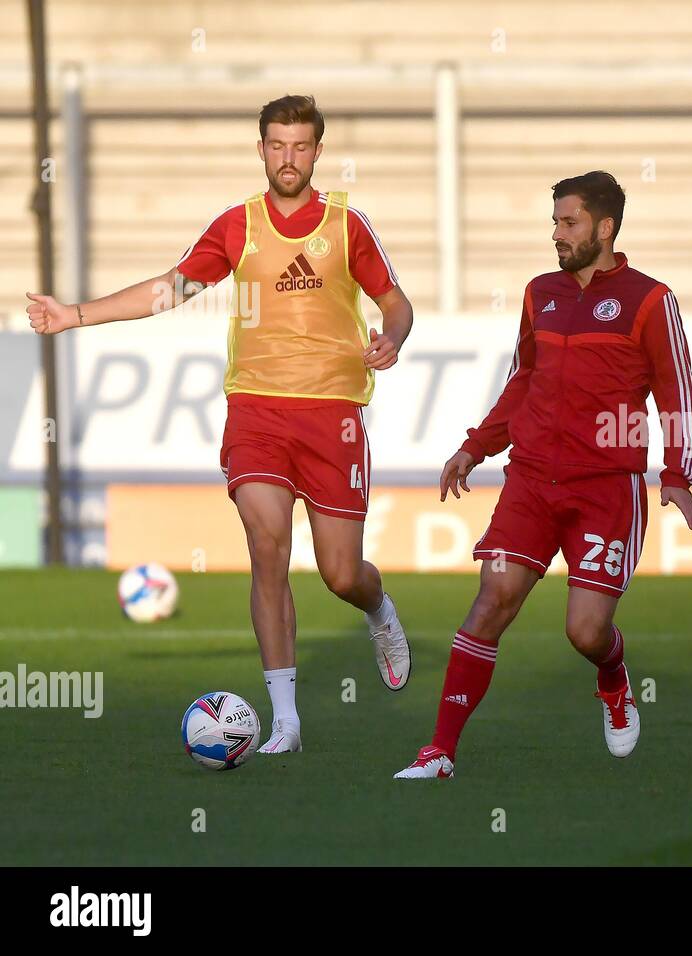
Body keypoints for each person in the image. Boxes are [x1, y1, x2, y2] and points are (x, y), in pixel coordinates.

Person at [26, 94, 414, 753]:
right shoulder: (238, 226)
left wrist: (394, 337)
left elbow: (394, 302)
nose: (287, 158)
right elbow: (168, 290)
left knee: (342, 574)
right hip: (256, 411)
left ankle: (377, 609)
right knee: (267, 548)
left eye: (300, 146)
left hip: (333, 416)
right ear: (261, 148)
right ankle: (285, 720)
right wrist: (75, 315)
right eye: (276, 145)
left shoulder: (348, 224)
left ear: (317, 151)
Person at [394, 170, 692, 780]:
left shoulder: (649, 299)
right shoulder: (541, 294)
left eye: (569, 222)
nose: (557, 234)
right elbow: (523, 381)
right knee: (491, 601)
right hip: (531, 482)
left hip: (605, 489)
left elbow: (676, 392)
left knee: (585, 632)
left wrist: (678, 473)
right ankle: (440, 751)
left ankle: (612, 677)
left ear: (605, 228)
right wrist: (474, 447)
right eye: (555, 222)